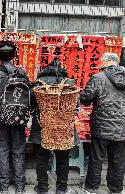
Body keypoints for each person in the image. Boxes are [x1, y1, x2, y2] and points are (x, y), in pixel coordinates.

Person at [80, 53, 125, 194]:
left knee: (96, 159)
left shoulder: (98, 78)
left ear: (105, 62)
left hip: (101, 126)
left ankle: (91, 187)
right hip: (123, 127)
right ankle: (115, 189)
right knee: (118, 160)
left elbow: (86, 98)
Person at [0, 40, 32, 194]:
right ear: (14, 56)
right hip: (19, 118)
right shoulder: (22, 73)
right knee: (18, 150)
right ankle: (20, 185)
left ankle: (3, 184)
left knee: (2, 150)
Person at [30, 57, 77, 194]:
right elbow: (76, 104)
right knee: (63, 159)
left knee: (42, 159)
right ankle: (61, 188)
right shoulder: (69, 83)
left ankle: (43, 188)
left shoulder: (39, 84)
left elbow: (31, 103)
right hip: (64, 128)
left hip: (42, 127)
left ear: (45, 71)